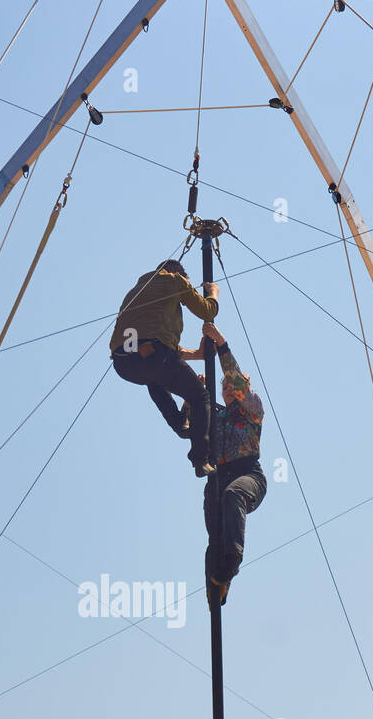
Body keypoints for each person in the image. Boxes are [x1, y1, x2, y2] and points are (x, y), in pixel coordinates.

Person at [180, 321, 266, 607]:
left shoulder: (252, 410)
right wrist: (194, 395)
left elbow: (237, 381)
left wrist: (221, 344)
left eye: (233, 387)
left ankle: (233, 560)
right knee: (214, 534)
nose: (228, 391)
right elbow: (188, 428)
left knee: (233, 496)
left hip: (247, 474)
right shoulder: (215, 415)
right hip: (217, 477)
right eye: (224, 388)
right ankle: (216, 585)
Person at [109, 259, 220, 477]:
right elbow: (207, 311)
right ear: (178, 274)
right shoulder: (175, 281)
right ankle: (200, 460)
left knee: (154, 377)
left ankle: (181, 425)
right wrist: (212, 293)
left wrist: (196, 355)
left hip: (123, 363)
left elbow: (148, 339)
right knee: (200, 396)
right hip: (153, 357)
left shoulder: (136, 290)